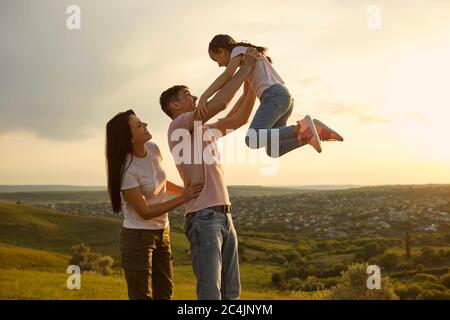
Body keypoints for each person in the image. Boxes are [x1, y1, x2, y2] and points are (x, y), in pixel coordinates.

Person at [160, 48, 260, 299]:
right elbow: (219, 103)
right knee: (210, 294)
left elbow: (238, 118)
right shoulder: (179, 126)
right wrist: (244, 69)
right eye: (186, 95)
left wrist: (250, 85)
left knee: (232, 293)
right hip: (203, 218)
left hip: (224, 215)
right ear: (174, 105)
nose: (194, 97)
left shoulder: (203, 131)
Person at [105, 109, 203, 300]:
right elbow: (145, 212)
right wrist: (184, 198)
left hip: (162, 232)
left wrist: (185, 190)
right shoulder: (127, 170)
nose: (146, 125)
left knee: (165, 292)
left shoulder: (153, 149)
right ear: (129, 138)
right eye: (139, 125)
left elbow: (160, 182)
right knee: (141, 295)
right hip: (138, 237)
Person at [197, 34, 344, 158]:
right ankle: (313, 133)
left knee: (252, 139)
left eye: (216, 59)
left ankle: (301, 129)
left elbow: (227, 75)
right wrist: (228, 119)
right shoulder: (248, 59)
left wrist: (205, 96)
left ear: (221, 51)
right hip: (283, 98)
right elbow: (244, 96)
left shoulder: (239, 51)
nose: (218, 65)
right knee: (274, 150)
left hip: (274, 96)